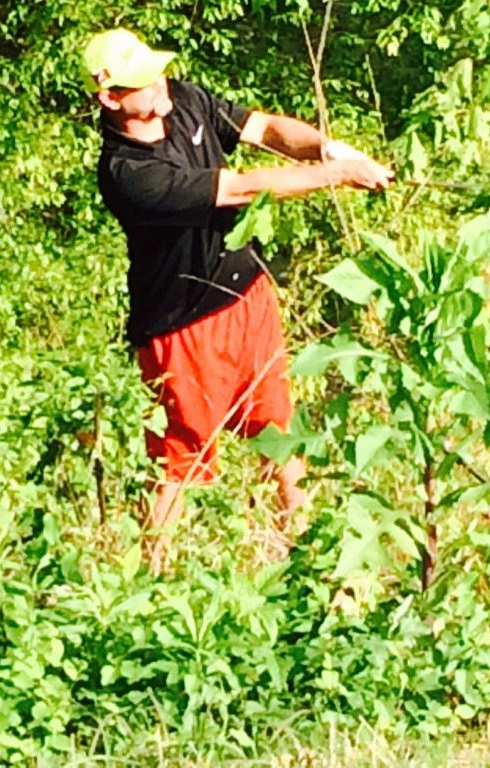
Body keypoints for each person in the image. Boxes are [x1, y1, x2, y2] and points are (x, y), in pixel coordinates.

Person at [83, 28, 394, 573]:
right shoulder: (128, 174)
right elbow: (242, 187)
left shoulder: (182, 98)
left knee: (279, 431)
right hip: (183, 327)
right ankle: (152, 578)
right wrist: (339, 175)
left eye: (156, 71)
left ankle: (307, 557)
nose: (158, 85)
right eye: (141, 82)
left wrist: (327, 148)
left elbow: (264, 129)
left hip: (247, 296)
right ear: (110, 98)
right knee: (182, 458)